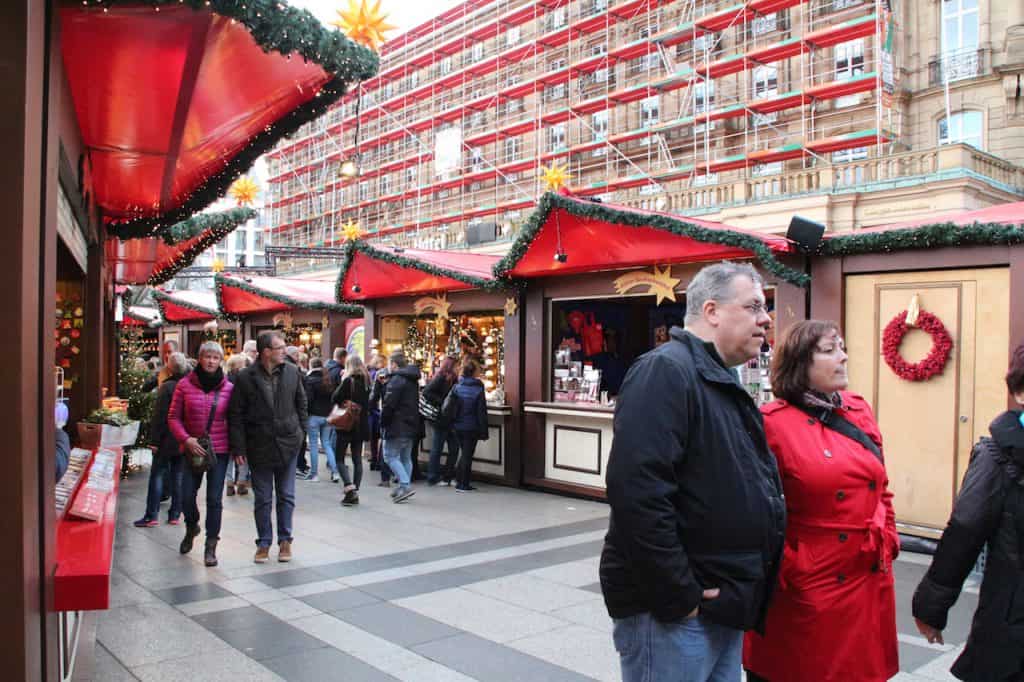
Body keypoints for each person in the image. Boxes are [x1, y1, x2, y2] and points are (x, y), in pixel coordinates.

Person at [600, 261, 785, 682]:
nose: (766, 318)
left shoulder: (718, 378)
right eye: (754, 306)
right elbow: (638, 494)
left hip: (720, 602)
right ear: (713, 312)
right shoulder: (665, 370)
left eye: (765, 307)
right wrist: (679, 593)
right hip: (677, 612)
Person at [743, 320, 899, 682]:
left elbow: (881, 484)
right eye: (829, 351)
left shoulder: (858, 409)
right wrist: (793, 567)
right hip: (807, 585)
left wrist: (888, 536)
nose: (843, 357)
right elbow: (754, 512)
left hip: (867, 576)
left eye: (841, 347)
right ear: (800, 364)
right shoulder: (770, 423)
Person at [911, 342, 1024, 682]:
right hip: (1013, 625)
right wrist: (931, 607)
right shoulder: (999, 457)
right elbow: (965, 531)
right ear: (1019, 392)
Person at [229, 331, 308, 564]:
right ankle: (263, 541)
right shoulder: (245, 377)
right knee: (262, 497)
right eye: (280, 348)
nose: (284, 351)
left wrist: (301, 433)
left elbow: (301, 403)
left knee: (286, 494)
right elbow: (236, 414)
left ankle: (285, 540)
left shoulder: (292, 372)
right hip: (259, 444)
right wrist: (239, 448)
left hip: (288, 441)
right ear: (266, 352)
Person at [167, 343, 234, 567]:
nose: (211, 361)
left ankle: (211, 545)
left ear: (221, 361)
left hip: (219, 450)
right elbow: (173, 417)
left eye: (216, 357)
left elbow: (234, 420)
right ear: (199, 358)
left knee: (214, 499)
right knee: (186, 495)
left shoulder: (228, 388)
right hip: (191, 449)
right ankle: (191, 525)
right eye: (207, 356)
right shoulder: (184, 386)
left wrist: (238, 449)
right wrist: (186, 439)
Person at [134, 351, 188, 527]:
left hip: (166, 438)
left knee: (157, 474)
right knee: (179, 475)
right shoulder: (189, 385)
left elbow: (159, 416)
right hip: (183, 439)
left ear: (170, 367)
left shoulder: (167, 388)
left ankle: (152, 515)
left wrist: (154, 440)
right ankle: (175, 514)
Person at [379, 350, 420, 503]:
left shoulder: (396, 381)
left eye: (389, 364)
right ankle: (403, 487)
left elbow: (389, 405)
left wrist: (383, 422)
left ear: (394, 365)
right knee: (405, 457)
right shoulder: (412, 380)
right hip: (411, 423)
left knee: (390, 455)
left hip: (397, 424)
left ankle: (405, 484)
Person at [332, 354, 371, 506]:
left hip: (347, 424)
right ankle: (355, 490)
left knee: (340, 458)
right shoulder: (368, 381)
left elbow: (335, 398)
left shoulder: (348, 381)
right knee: (357, 458)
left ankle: (350, 489)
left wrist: (342, 382)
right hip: (361, 425)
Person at [451, 358, 488, 492]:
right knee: (467, 455)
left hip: (457, 425)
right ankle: (463, 484)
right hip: (471, 426)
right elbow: (481, 412)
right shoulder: (478, 389)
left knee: (464, 453)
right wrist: (484, 431)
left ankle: (459, 481)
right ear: (475, 372)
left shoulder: (457, 387)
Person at [423, 355, 460, 486]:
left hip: (449, 418)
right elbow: (427, 392)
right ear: (451, 366)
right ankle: (433, 476)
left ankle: (447, 476)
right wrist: (442, 402)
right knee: (438, 447)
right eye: (457, 366)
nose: (459, 368)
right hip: (440, 418)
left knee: (454, 447)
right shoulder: (441, 377)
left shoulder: (454, 379)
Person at [302, 357, 338, 483]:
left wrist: (306, 413)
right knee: (326, 443)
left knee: (313, 445)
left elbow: (308, 400)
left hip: (314, 416)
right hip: (327, 416)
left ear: (311, 365)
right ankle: (335, 472)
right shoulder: (328, 380)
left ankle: (314, 474)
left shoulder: (309, 380)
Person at [224, 353, 250, 496]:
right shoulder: (245, 381)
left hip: (227, 422)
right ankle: (241, 482)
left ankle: (229, 483)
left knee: (229, 455)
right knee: (243, 454)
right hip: (243, 422)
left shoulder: (224, 381)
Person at [367, 353, 390, 484]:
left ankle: (374, 460)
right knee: (381, 438)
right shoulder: (381, 375)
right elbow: (376, 394)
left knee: (374, 438)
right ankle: (379, 463)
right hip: (378, 410)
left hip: (373, 411)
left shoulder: (371, 373)